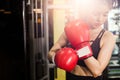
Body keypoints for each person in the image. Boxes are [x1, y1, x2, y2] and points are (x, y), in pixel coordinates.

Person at [48, 0, 116, 80]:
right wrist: (57, 58)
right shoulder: (72, 29)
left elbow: (96, 71)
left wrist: (81, 47)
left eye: (105, 15)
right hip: (70, 77)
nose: (100, 19)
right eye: (95, 14)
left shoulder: (107, 37)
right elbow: (51, 53)